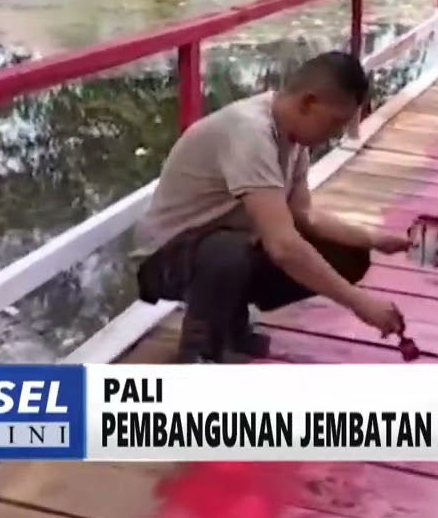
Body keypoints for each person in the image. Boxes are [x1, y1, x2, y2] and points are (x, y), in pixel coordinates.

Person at [132, 52, 411, 364]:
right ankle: (199, 350)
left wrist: (374, 239)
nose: (336, 134)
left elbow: (306, 217)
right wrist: (360, 303)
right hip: (165, 258)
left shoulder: (294, 140)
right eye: (335, 122)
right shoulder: (250, 132)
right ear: (308, 102)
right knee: (229, 250)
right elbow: (282, 244)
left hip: (223, 245)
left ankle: (230, 324)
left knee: (348, 252)